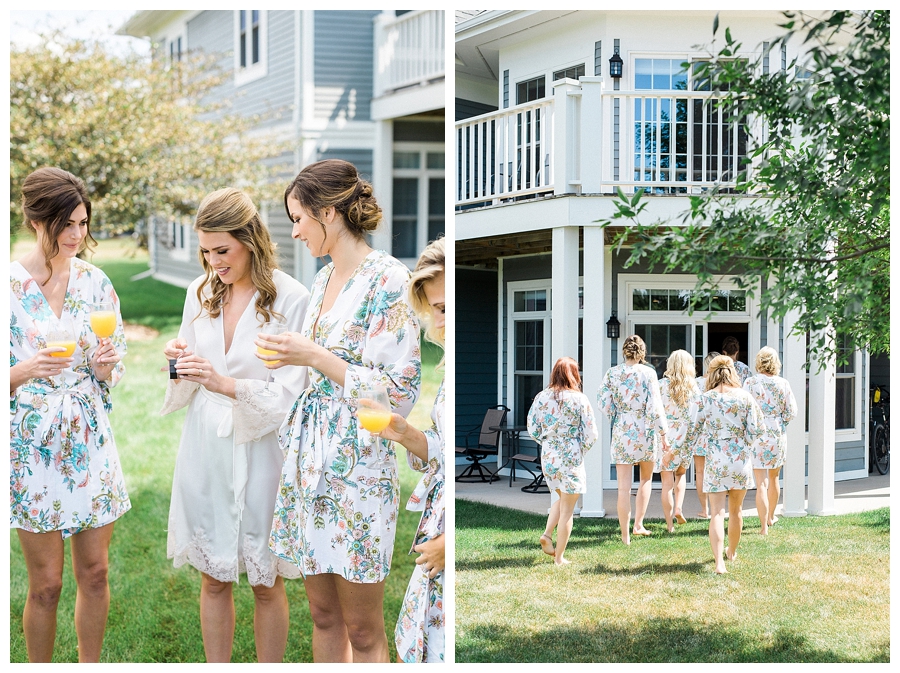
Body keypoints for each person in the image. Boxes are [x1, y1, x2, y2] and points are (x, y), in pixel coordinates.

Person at [260, 159, 421, 663]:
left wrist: (315, 356)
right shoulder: (324, 278)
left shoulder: (389, 279)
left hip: (359, 468)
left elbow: (399, 392)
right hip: (310, 465)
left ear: (327, 213)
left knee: (363, 628)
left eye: (298, 219)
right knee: (323, 615)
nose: (294, 231)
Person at [160, 188, 310, 662]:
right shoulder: (200, 292)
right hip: (205, 445)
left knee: (265, 580)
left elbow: (291, 396)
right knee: (213, 577)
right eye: (206, 251)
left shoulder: (291, 298)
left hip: (263, 449)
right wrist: (178, 361)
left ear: (251, 239)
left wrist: (225, 384)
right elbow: (190, 371)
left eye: (222, 250)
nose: (213, 262)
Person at [10, 167, 129, 662]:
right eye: (67, 225)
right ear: (38, 221)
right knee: (46, 584)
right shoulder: (8, 287)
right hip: (31, 445)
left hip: (89, 437)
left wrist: (105, 366)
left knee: (95, 572)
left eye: (83, 223)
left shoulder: (95, 282)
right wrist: (25, 370)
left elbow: (114, 363)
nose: (78, 235)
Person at [376, 237, 446, 663]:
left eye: (447, 307)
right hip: (435, 525)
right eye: (436, 308)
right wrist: (403, 432)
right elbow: (440, 449)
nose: (440, 319)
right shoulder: (448, 364)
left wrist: (448, 544)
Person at [682, 356, 765, 574]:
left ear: (711, 373)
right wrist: (744, 442)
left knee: (717, 513)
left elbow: (691, 431)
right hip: (739, 460)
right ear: (732, 372)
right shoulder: (744, 397)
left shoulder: (704, 399)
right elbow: (758, 429)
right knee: (736, 511)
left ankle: (719, 563)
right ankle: (732, 551)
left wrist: (677, 453)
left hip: (716, 460)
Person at [598, 335, 669, 545]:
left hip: (622, 429)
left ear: (624, 351)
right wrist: (663, 433)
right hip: (644, 429)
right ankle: (638, 525)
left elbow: (602, 400)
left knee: (623, 487)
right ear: (642, 352)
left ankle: (625, 535)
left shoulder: (612, 373)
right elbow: (655, 406)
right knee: (645, 479)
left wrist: (615, 415)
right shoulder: (648, 373)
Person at [527, 357, 598, 565]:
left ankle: (547, 535)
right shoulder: (579, 399)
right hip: (571, 455)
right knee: (568, 510)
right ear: (574, 374)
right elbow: (591, 433)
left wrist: (547, 443)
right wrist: (580, 449)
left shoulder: (541, 397)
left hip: (549, 456)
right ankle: (559, 558)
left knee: (562, 499)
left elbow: (532, 428)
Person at [743, 346, 798, 534]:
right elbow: (792, 411)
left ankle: (762, 527)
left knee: (761, 482)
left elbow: (744, 408)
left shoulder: (750, 382)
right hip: (776, 433)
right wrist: (780, 421)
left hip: (757, 434)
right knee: (774, 478)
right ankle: (770, 517)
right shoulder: (783, 383)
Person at [657, 350, 700, 532]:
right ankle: (678, 508)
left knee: (666, 482)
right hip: (684, 438)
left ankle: (669, 525)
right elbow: (695, 416)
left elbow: (656, 412)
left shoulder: (660, 386)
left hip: (665, 437)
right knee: (681, 475)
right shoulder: (693, 388)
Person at [693, 351, 720, 519]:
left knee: (700, 472)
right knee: (716, 471)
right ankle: (718, 507)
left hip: (699, 431)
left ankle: (705, 509)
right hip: (715, 431)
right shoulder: (720, 385)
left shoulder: (696, 383)